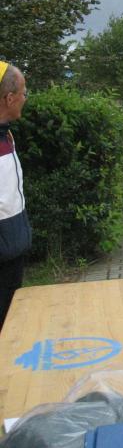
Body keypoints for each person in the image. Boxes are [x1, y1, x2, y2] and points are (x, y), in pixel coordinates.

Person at [0, 61, 31, 328]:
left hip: (11, 252)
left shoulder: (6, 135)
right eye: (23, 92)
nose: (25, 98)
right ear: (9, 98)